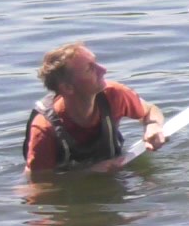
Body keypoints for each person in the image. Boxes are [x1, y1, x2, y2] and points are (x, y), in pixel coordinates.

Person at [23, 42, 166, 178]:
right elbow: (37, 181)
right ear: (67, 88)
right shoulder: (44, 127)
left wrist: (153, 125)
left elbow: (150, 110)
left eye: (96, 62)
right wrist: (88, 173)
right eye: (90, 69)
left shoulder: (114, 94)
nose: (103, 70)